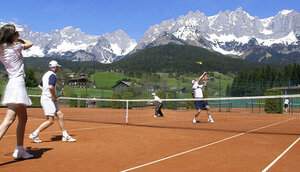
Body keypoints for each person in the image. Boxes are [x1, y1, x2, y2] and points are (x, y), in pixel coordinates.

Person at [0, 24, 34, 159]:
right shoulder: (16, 46)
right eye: (17, 32)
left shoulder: (2, 48)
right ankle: (20, 149)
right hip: (17, 84)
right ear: (12, 35)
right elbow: (30, 43)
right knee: (8, 120)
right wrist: (18, 39)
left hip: (13, 84)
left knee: (23, 118)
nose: (19, 34)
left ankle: (20, 149)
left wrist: (12, 37)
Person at [29, 61, 76, 143]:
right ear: (56, 67)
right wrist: (53, 96)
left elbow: (39, 85)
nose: (58, 68)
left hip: (48, 98)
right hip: (48, 100)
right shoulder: (53, 75)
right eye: (57, 67)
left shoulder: (46, 74)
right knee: (50, 121)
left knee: (60, 115)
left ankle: (65, 136)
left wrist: (46, 92)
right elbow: (51, 87)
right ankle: (34, 134)